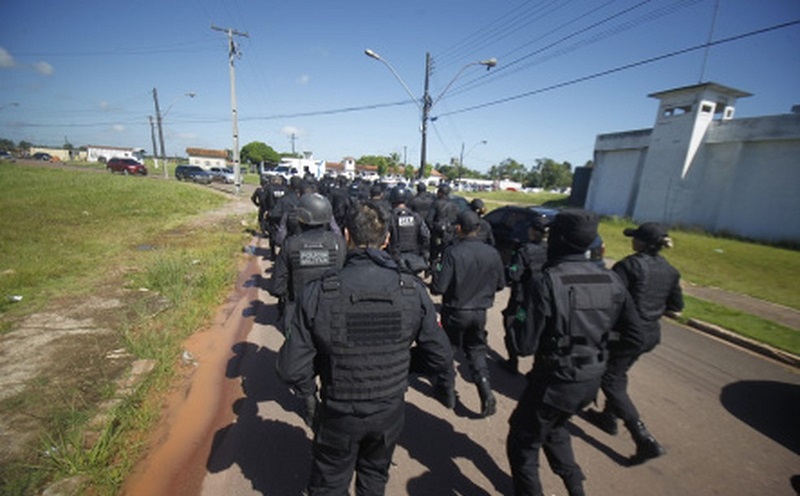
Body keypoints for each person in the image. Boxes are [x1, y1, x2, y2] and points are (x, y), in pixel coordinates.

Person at [275, 200, 454, 496]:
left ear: (347, 236)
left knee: (329, 484)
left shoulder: (319, 292)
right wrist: (401, 363)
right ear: (386, 239)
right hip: (389, 410)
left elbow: (289, 368)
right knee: (374, 478)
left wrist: (317, 381)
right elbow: (441, 357)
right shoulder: (412, 290)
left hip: (338, 411)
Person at [505, 209, 646, 496]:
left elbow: (523, 345)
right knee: (555, 429)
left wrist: (516, 317)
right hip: (590, 381)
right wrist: (597, 350)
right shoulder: (611, 279)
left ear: (559, 239)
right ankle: (575, 488)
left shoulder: (547, 281)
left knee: (523, 443)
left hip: (554, 382)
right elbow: (635, 337)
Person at [583, 222, 683, 464]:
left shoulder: (629, 266)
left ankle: (643, 438)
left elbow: (609, 297)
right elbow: (676, 308)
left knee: (611, 379)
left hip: (626, 334)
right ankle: (608, 417)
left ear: (642, 243)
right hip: (650, 335)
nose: (632, 240)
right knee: (619, 372)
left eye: (635, 237)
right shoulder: (670, 271)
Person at [431, 209, 506, 417]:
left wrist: (437, 270)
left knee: (448, 349)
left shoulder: (452, 252)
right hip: (479, 312)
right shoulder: (492, 252)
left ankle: (447, 390)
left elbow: (438, 287)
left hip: (456, 311)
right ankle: (485, 391)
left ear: (458, 228)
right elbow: (501, 284)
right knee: (476, 351)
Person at [268, 192, 347, 335]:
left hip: (299, 317)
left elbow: (276, 288)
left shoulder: (290, 245)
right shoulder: (339, 243)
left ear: (301, 217)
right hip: (330, 314)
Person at [501, 217, 548, 374]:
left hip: (522, 299)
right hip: (542, 298)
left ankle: (512, 361)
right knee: (539, 327)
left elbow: (514, 274)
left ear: (533, 231)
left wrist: (508, 269)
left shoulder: (525, 251)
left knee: (511, 323)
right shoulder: (550, 250)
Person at [387, 186, 431, 275]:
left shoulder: (389, 218)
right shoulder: (416, 217)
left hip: (395, 260)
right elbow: (426, 235)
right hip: (414, 260)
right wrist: (423, 254)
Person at [426, 184, 459, 264]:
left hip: (438, 233)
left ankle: (433, 268)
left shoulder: (436, 203)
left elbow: (429, 219)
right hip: (450, 233)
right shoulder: (455, 205)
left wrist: (433, 229)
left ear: (440, 193)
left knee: (434, 255)